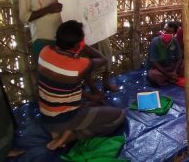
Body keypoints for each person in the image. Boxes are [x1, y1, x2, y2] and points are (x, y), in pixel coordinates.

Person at [37, 21, 125, 150]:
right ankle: (71, 135)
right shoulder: (78, 64)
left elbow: (64, 89)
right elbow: (102, 59)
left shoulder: (44, 52)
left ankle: (61, 131)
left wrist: (91, 98)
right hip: (65, 117)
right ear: (77, 44)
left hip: (46, 116)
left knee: (95, 104)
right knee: (119, 115)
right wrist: (83, 46)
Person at [63, 0, 118, 91]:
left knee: (107, 53)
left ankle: (106, 82)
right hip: (82, 27)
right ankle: (92, 88)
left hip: (98, 24)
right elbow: (71, 6)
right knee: (85, 58)